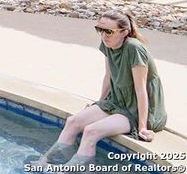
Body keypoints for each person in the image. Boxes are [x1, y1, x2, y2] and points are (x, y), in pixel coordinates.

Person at [32, 9, 167, 169]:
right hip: (116, 101)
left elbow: (141, 89)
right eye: (99, 30)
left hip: (137, 110)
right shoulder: (108, 43)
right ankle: (49, 161)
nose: (103, 35)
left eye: (109, 31)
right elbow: (109, 76)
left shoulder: (134, 49)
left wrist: (143, 126)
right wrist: (100, 103)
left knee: (91, 131)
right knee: (73, 122)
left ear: (124, 32)